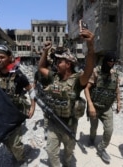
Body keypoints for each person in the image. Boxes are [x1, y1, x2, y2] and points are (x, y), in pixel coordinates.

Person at [38, 28, 95, 167]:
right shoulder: (54, 77)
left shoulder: (77, 81)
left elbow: (89, 69)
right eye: (56, 62)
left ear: (68, 64)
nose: (56, 64)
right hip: (53, 124)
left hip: (69, 125)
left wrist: (91, 46)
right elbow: (41, 67)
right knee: (51, 153)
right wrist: (45, 51)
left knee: (69, 153)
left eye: (60, 62)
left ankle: (68, 162)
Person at [0, 44, 36, 166]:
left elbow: (31, 90)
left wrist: (33, 107)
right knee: (6, 141)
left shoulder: (18, 75)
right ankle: (15, 155)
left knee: (15, 143)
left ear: (9, 58)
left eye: (2, 57)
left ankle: (21, 160)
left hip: (15, 115)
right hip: (0, 115)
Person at [84, 52, 121, 164]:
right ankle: (91, 139)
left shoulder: (115, 74)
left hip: (106, 108)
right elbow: (86, 89)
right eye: (109, 62)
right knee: (93, 128)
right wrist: (90, 105)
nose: (111, 65)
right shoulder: (96, 72)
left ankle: (101, 148)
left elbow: (116, 89)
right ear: (105, 61)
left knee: (109, 130)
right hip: (95, 107)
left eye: (113, 63)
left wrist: (119, 102)